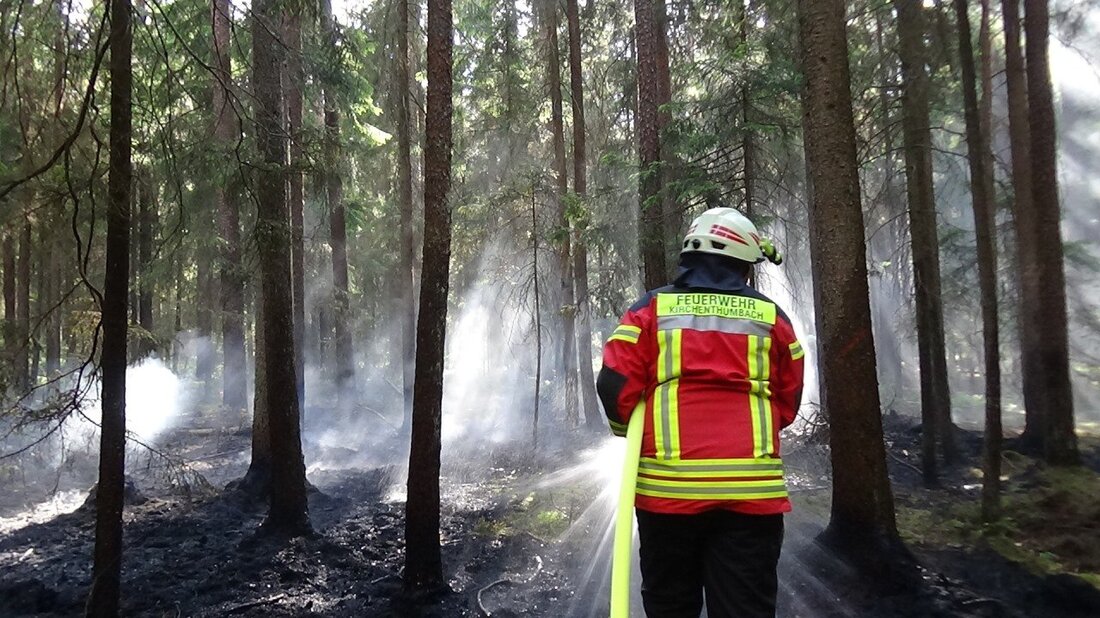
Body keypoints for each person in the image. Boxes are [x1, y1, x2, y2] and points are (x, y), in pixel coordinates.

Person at [596, 206, 805, 618]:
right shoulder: (771, 317)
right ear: (744, 263)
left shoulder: (650, 310)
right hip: (751, 498)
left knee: (671, 606)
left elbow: (615, 384)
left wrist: (627, 429)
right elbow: (789, 396)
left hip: (668, 498)